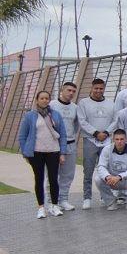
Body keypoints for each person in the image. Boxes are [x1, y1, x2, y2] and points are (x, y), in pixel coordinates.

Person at [19, 89, 68, 218]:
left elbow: (63, 135)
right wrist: (25, 152)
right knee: (39, 179)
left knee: (53, 179)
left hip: (53, 151)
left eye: (47, 98)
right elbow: (22, 136)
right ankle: (41, 208)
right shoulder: (30, 116)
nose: (45, 100)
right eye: (42, 98)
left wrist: (62, 153)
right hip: (36, 152)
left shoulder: (55, 115)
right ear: (37, 100)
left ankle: (54, 206)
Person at [77, 77, 116, 210]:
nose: (98, 91)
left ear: (104, 89)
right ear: (92, 88)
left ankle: (105, 197)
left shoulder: (111, 103)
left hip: (106, 140)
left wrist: (106, 132)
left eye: (101, 88)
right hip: (90, 140)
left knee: (106, 169)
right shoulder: (83, 103)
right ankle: (87, 198)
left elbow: (115, 120)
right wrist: (95, 133)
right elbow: (82, 121)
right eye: (96, 88)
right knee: (88, 170)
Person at [94, 128, 127, 210]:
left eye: (122, 139)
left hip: (126, 180)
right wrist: (107, 176)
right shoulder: (106, 149)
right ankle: (111, 202)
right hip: (111, 180)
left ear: (126, 139)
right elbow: (101, 166)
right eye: (117, 139)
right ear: (113, 140)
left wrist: (119, 177)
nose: (119, 141)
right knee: (98, 179)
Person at [51, 81, 80, 210]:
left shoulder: (75, 108)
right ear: (62, 90)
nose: (71, 93)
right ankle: (52, 202)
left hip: (70, 144)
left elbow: (76, 126)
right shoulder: (52, 105)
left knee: (68, 175)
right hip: (54, 145)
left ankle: (63, 199)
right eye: (69, 90)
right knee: (52, 174)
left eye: (73, 91)